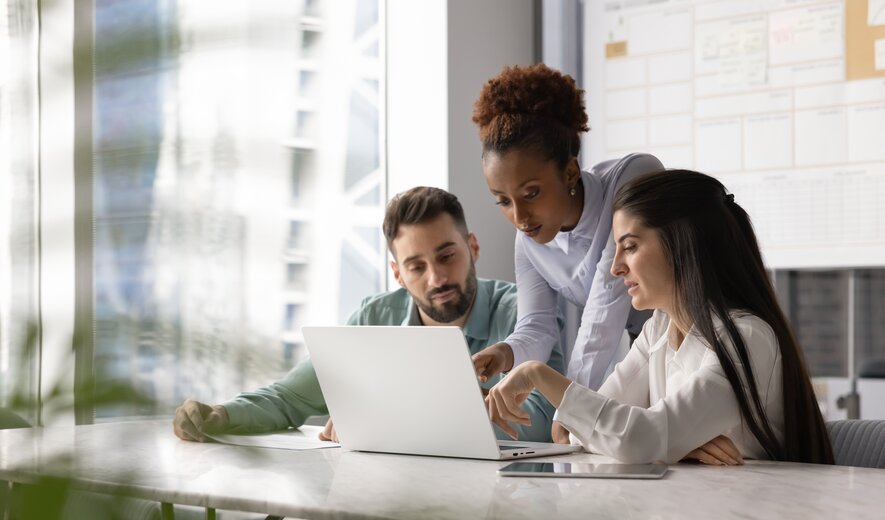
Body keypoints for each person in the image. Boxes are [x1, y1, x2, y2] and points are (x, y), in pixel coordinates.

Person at [485, 169, 834, 465]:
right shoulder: (659, 329)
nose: (615, 266)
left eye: (631, 246)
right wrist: (678, 447)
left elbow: (639, 438)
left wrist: (536, 373)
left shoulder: (747, 336)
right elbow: (574, 432)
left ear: (683, 245)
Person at [173, 187, 564, 443]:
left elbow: (545, 422)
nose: (438, 277)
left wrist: (382, 420)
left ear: (472, 247)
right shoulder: (375, 316)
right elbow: (290, 398)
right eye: (416, 266)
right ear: (397, 273)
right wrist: (221, 415)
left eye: (447, 255)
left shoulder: (526, 313)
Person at [470, 63, 663, 442]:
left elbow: (604, 311)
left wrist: (569, 406)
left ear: (571, 172)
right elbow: (537, 327)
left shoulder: (631, 178)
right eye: (503, 202)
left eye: (531, 194)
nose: (520, 217)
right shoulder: (530, 243)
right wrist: (505, 354)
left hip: (705, 340)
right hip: (649, 354)